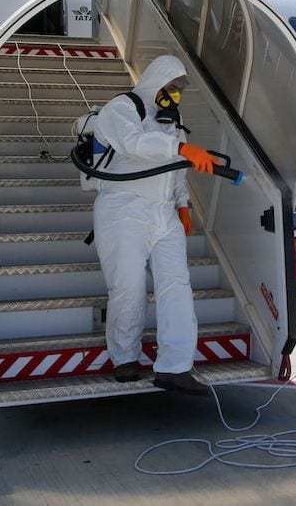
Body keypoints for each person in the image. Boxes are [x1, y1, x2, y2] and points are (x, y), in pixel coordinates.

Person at [91, 54, 218, 395]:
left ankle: (175, 367)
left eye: (179, 90)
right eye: (171, 87)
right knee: (128, 287)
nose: (175, 95)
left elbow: (175, 167)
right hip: (123, 210)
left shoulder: (171, 121)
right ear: (154, 82)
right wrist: (181, 146)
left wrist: (182, 204)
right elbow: (135, 145)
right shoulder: (122, 108)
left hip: (163, 214)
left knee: (176, 286)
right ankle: (125, 358)